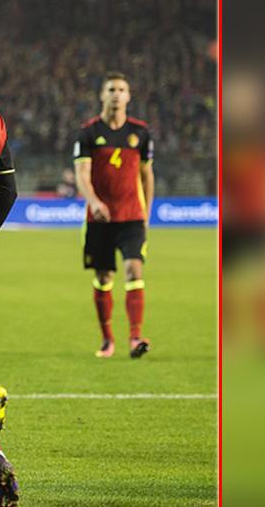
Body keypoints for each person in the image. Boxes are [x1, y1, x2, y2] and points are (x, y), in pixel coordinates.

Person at [73, 72, 155, 359]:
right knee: (104, 276)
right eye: (111, 89)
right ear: (102, 95)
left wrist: (147, 212)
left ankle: (135, 338)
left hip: (132, 216)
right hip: (100, 219)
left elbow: (147, 175)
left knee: (134, 271)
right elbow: (82, 174)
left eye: (122, 89)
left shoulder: (141, 133)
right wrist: (93, 201)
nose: (117, 94)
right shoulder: (88, 132)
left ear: (129, 96)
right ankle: (107, 339)